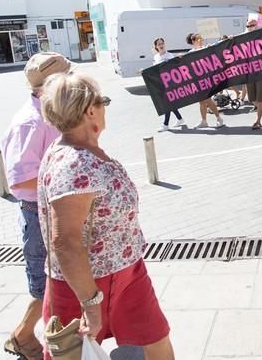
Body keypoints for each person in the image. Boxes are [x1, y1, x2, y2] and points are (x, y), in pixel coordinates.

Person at [38, 73, 174, 360]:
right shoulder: (74, 163)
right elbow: (65, 241)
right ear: (90, 110)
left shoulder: (86, 151)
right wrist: (90, 303)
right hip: (84, 284)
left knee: (156, 337)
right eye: (104, 102)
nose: (105, 107)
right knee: (73, 354)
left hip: (128, 271)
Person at [1, 52, 72, 360]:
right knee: (46, 285)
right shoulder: (31, 122)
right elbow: (19, 183)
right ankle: (23, 336)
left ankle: (28, 337)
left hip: (53, 210)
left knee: (56, 282)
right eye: (68, 76)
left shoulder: (50, 113)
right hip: (38, 214)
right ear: (51, 85)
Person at [186, 33, 224, 129]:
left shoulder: (206, 49)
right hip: (197, 81)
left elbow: (217, 48)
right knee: (201, 101)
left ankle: (219, 118)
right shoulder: (190, 52)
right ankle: (204, 121)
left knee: (207, 99)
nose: (201, 40)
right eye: (198, 39)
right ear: (193, 41)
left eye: (201, 39)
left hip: (207, 79)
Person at [243, 21, 262, 129]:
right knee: (252, 99)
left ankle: (258, 121)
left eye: (252, 25)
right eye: (248, 26)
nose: (250, 27)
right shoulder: (244, 38)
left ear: (257, 26)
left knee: (260, 99)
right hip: (249, 72)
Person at [152, 38, 185, 131]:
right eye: (159, 44)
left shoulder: (169, 55)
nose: (161, 45)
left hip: (170, 83)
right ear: (156, 46)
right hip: (161, 83)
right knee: (169, 103)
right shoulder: (156, 57)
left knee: (167, 103)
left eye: (162, 43)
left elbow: (175, 67)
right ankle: (180, 119)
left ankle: (165, 124)